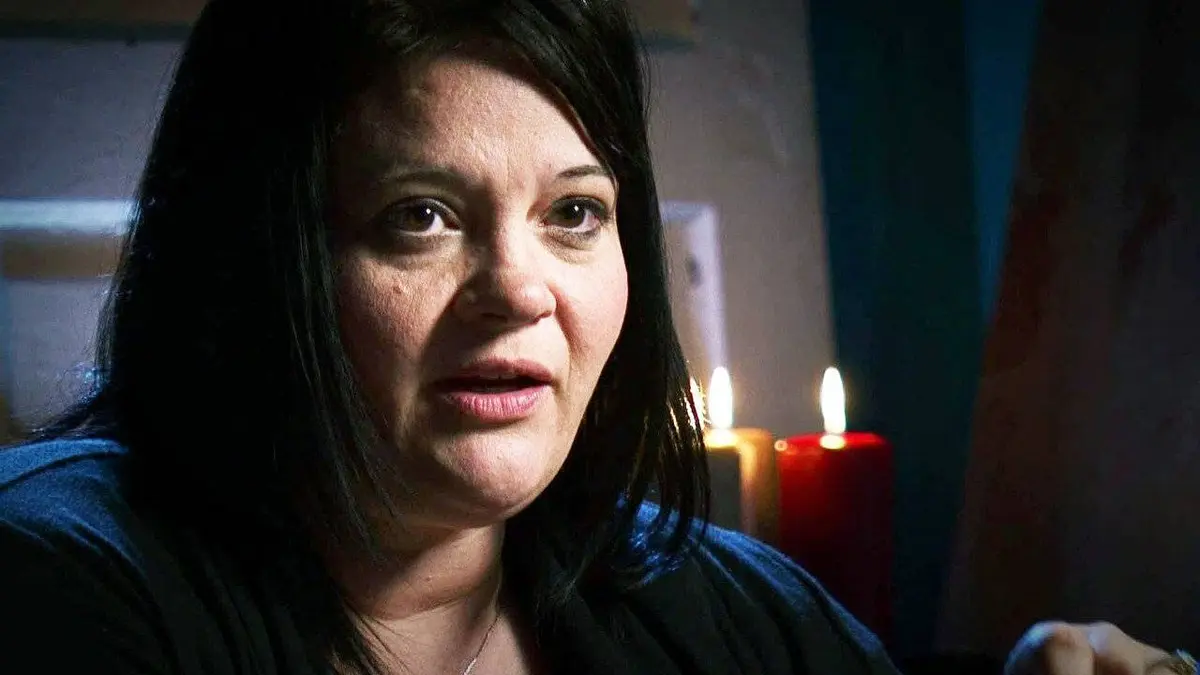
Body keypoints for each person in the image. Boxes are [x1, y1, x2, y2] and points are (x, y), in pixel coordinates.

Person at [0, 0, 1188, 673]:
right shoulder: (59, 588)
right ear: (257, 256)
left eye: (574, 214)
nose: (520, 291)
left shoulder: (716, 602)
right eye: (420, 217)